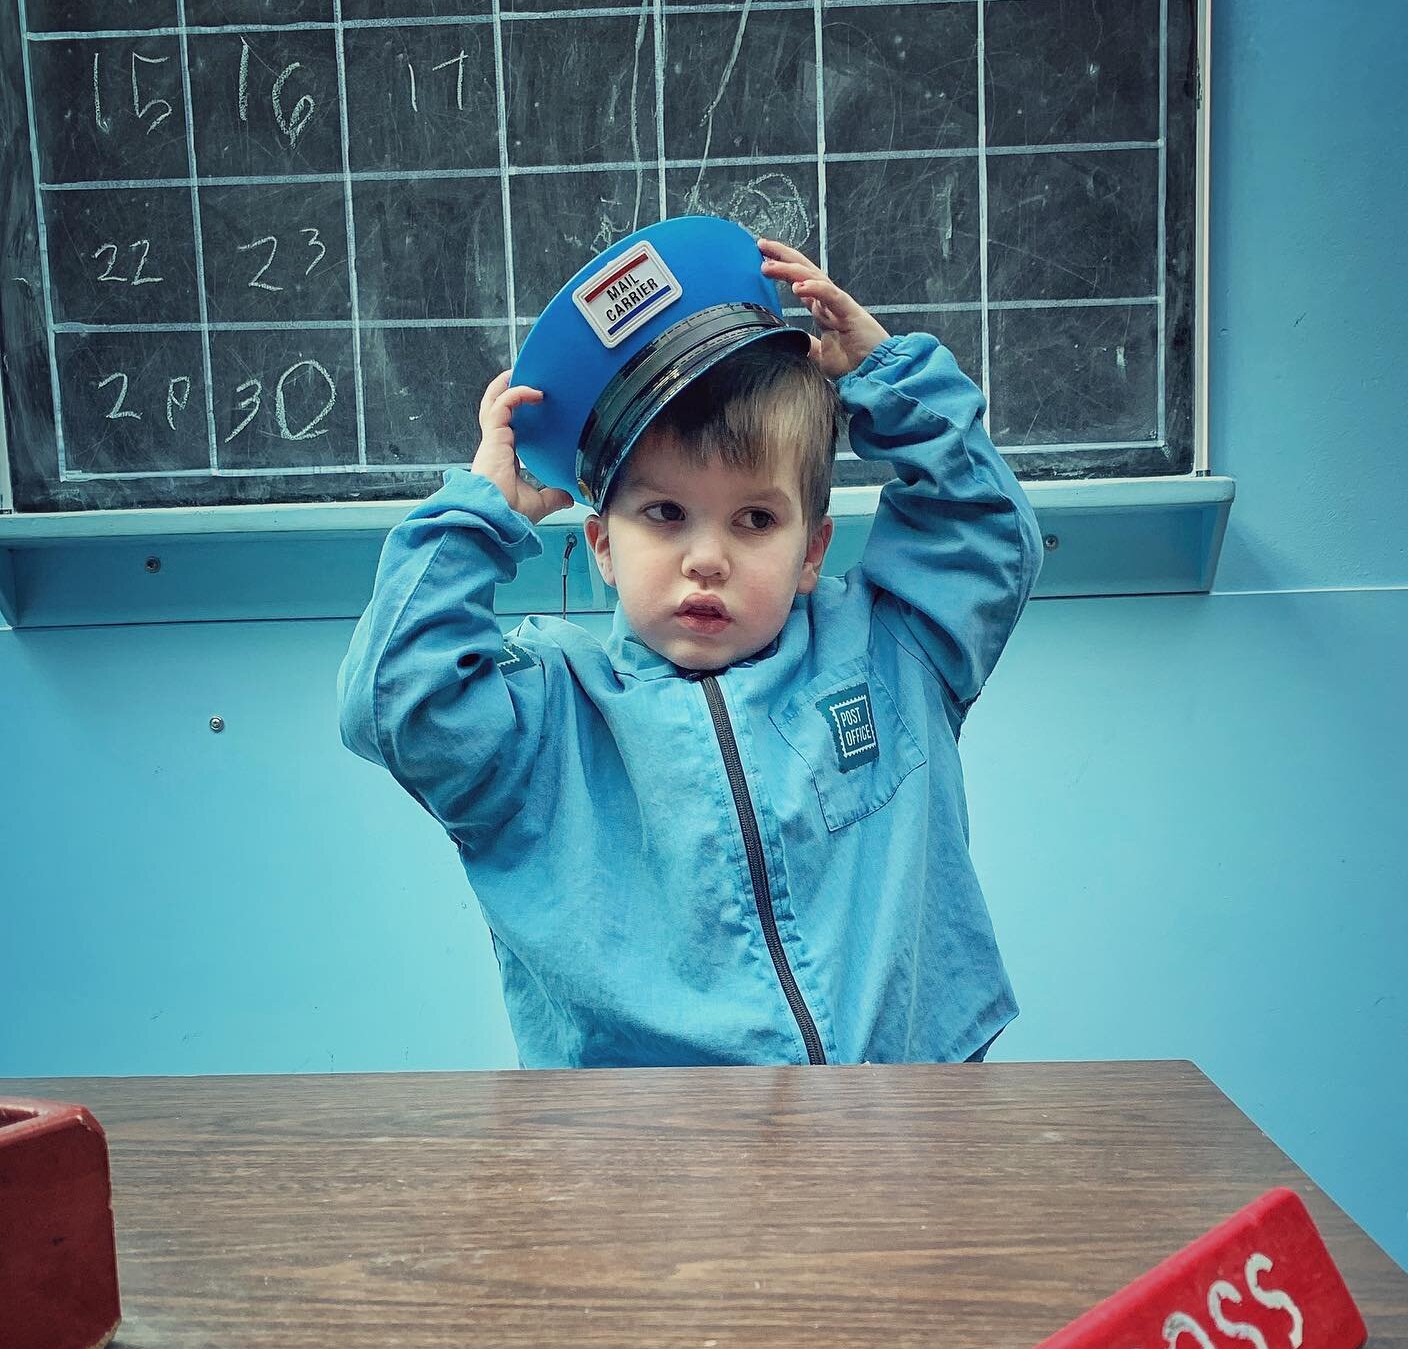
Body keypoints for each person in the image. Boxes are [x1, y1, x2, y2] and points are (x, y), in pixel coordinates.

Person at [338, 216, 1042, 1067]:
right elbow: (396, 703)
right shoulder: (552, 721)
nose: (706, 558)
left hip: (912, 1135)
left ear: (812, 550)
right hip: (651, 1167)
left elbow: (986, 531)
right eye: (664, 514)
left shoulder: (892, 646)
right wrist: (474, 520)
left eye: (755, 519)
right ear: (602, 543)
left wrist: (892, 384)